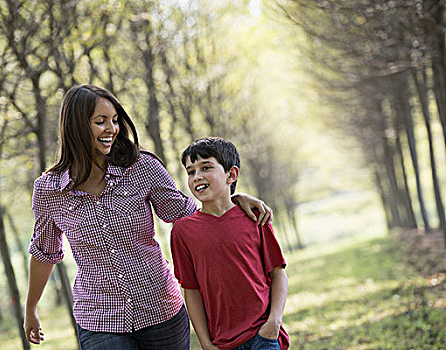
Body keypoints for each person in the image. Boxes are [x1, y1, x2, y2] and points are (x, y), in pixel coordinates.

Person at [23, 85, 273, 350]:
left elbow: (186, 211)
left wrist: (232, 199)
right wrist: (31, 310)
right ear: (75, 127)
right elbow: (44, 252)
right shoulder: (49, 190)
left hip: (161, 309)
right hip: (99, 318)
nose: (112, 128)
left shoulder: (141, 167)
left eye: (115, 120)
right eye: (100, 121)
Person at [171, 137, 289, 350]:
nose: (197, 177)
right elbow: (191, 289)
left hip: (263, 336)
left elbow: (278, 273)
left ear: (231, 174)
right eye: (190, 172)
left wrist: (273, 322)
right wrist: (206, 344)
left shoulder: (254, 216)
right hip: (223, 343)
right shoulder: (183, 231)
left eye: (206, 167)